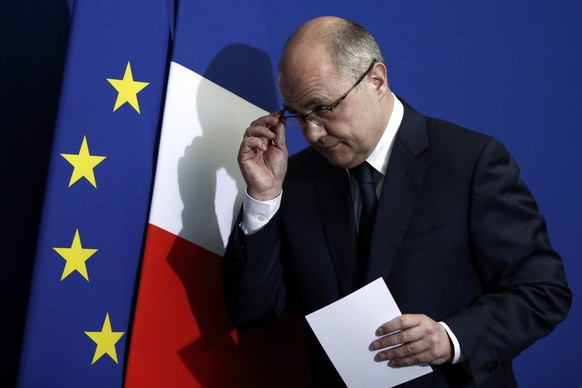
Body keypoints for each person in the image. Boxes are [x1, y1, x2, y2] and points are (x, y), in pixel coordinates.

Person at [221, 16, 571, 387]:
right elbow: (253, 311)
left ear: (376, 80)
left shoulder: (470, 162)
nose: (312, 133)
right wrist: (263, 196)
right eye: (298, 116)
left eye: (323, 108)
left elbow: (542, 291)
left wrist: (450, 339)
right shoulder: (296, 178)